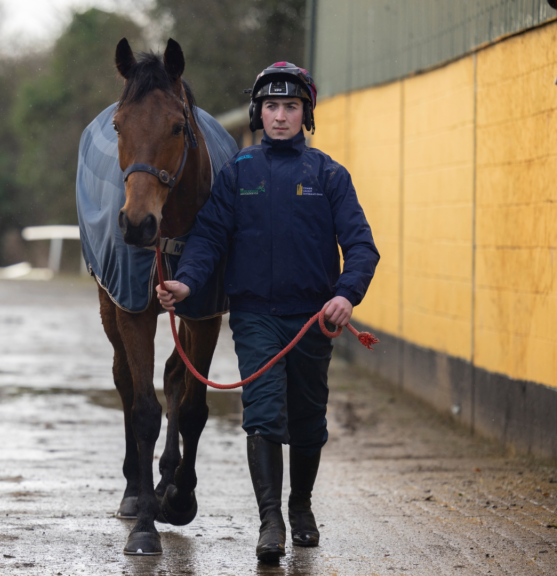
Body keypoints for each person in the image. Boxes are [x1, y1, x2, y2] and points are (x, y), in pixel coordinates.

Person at [155, 62, 379, 564]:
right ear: (259, 113)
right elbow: (209, 237)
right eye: (272, 106)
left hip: (312, 321)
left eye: (291, 106)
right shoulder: (238, 174)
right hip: (255, 316)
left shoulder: (329, 175)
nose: (281, 116)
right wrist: (186, 282)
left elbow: (361, 246)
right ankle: (270, 520)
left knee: (308, 420)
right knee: (263, 416)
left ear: (306, 113)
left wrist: (346, 294)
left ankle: (301, 506)